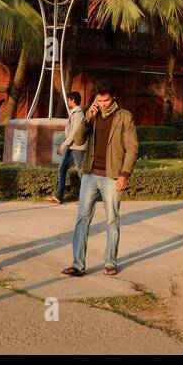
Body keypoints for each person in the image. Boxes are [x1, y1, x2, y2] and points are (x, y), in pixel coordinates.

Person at [61, 82, 138, 277]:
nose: (102, 104)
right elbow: (78, 140)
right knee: (82, 220)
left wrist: (124, 174)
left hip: (112, 177)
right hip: (90, 174)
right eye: (99, 100)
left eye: (105, 100)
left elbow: (132, 148)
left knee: (112, 221)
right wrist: (87, 118)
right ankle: (78, 265)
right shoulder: (92, 115)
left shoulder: (124, 117)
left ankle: (110, 263)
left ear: (113, 98)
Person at [49, 91, 85, 204]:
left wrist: (64, 144)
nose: (68, 102)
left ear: (73, 100)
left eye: (69, 100)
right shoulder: (74, 113)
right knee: (62, 169)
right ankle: (59, 196)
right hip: (71, 146)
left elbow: (74, 132)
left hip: (78, 147)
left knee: (81, 172)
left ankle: (85, 199)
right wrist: (66, 145)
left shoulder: (78, 114)